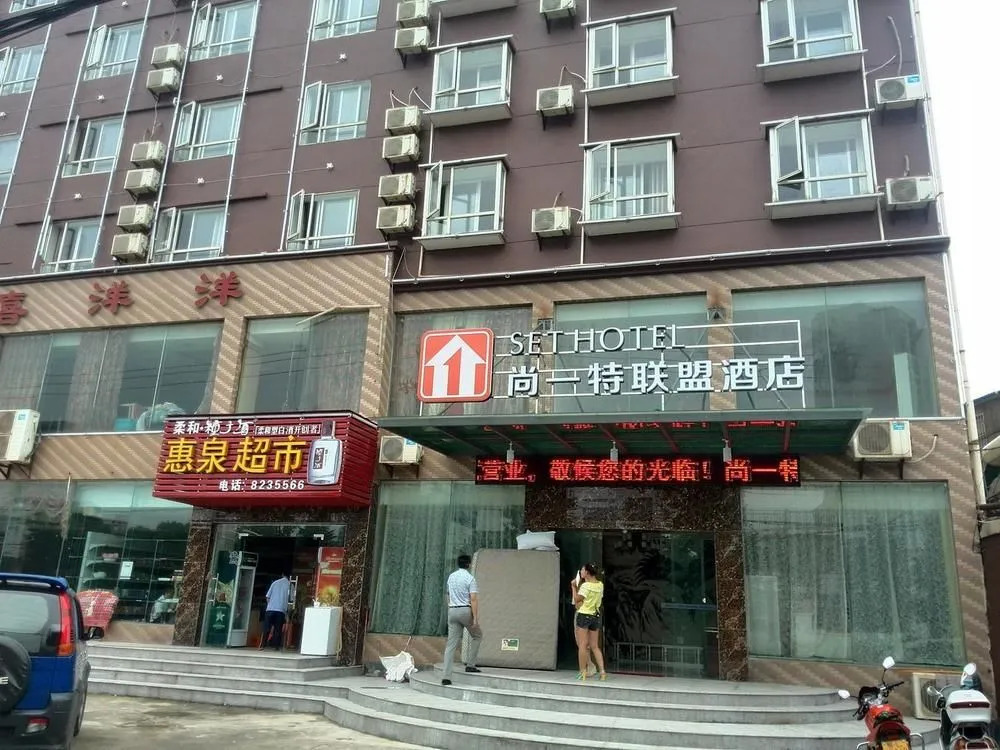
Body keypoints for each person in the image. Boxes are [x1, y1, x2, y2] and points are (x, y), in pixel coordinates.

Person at [441, 554, 483, 686]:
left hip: (452, 610)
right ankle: (470, 665)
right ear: (469, 564)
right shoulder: (470, 578)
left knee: (451, 645)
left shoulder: (451, 577)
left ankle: (446, 677)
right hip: (465, 611)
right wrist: (475, 618)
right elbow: (473, 599)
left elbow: (448, 595)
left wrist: (450, 607)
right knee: (477, 635)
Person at [570, 563, 606, 681]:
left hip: (584, 615)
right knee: (595, 646)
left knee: (582, 645)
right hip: (595, 616)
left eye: (582, 570)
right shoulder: (600, 585)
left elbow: (577, 599)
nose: (581, 572)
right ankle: (602, 672)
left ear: (587, 573)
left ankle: (583, 672)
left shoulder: (585, 586)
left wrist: (574, 587)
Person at [260, 572, 291, 651]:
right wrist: (287, 613)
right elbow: (291, 601)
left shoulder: (275, 583)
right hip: (281, 610)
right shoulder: (290, 585)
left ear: (282, 574)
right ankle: (276, 646)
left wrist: (270, 605)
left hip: (270, 609)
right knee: (278, 629)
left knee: (267, 628)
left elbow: (267, 597)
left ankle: (263, 645)